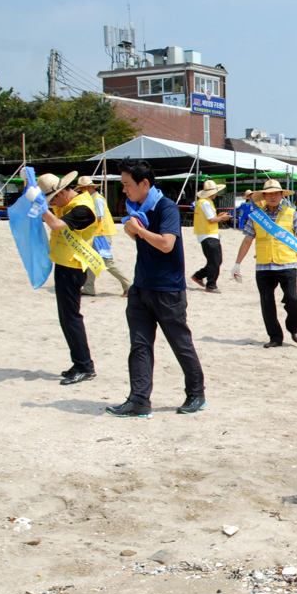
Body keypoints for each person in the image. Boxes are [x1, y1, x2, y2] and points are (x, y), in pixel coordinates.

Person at [104, 158, 207, 417]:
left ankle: (196, 394)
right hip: (140, 287)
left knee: (180, 344)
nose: (124, 190)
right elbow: (139, 235)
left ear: (144, 183)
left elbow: (166, 244)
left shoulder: (166, 207)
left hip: (168, 290)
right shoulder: (136, 207)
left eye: (127, 184)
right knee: (139, 346)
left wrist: (137, 230)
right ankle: (139, 400)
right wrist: (133, 229)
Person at [232, 179, 297, 348]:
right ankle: (275, 337)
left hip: (287, 263)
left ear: (281, 195)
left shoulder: (291, 213)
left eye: (276, 193)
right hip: (263, 265)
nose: (273, 197)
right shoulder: (256, 217)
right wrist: (237, 263)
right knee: (267, 303)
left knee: (292, 299)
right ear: (264, 196)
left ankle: (293, 328)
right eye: (269, 194)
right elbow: (247, 240)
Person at [35, 172, 100, 386]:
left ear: (63, 191)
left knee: (71, 317)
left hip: (73, 267)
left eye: (53, 199)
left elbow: (56, 225)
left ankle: (84, 365)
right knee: (66, 317)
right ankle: (78, 362)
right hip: (64, 264)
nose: (52, 204)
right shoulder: (70, 203)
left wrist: (41, 207)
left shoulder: (82, 208)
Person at [77, 177, 132, 297]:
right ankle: (88, 287)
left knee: (108, 263)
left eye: (82, 189)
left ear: (86, 188)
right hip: (97, 235)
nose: (81, 192)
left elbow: (98, 218)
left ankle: (128, 286)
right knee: (91, 260)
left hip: (101, 235)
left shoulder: (97, 199)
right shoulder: (94, 198)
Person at [190, 179, 231, 293]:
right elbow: (212, 220)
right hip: (209, 234)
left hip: (206, 234)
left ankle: (199, 276)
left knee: (214, 260)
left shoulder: (202, 201)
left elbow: (210, 218)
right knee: (215, 261)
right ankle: (211, 284)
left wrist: (219, 216)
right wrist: (222, 218)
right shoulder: (206, 202)